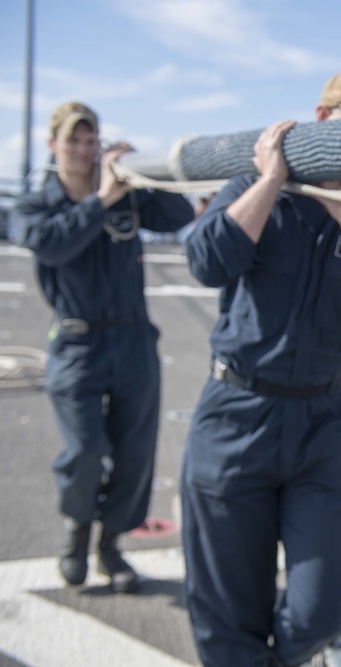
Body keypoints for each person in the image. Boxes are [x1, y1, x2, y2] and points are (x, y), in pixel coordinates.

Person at [181, 67, 341, 666]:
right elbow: (206, 260)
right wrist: (268, 181)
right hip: (237, 413)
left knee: (321, 606)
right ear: (321, 121)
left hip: (323, 423)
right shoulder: (253, 189)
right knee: (228, 608)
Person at [11, 101, 195, 594]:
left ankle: (111, 545)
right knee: (87, 449)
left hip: (133, 338)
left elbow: (178, 214)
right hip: (76, 344)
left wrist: (139, 173)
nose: (83, 149)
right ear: (53, 145)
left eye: (90, 140)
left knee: (135, 453)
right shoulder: (36, 204)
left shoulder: (126, 194)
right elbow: (49, 244)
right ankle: (77, 531)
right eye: (73, 140)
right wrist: (99, 202)